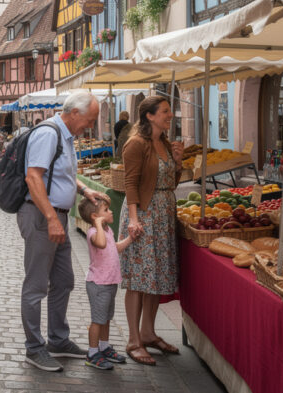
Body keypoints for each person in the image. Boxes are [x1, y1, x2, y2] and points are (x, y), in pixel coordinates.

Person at [19, 90, 107, 372]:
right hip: (42, 216)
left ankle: (58, 339)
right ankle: (34, 347)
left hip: (57, 217)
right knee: (36, 285)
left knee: (64, 280)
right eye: (90, 120)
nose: (90, 127)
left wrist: (82, 188)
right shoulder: (48, 134)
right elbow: (33, 177)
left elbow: (60, 173)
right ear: (74, 114)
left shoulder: (66, 136)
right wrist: (51, 218)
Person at [119, 95, 184, 366]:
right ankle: (134, 339)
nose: (171, 115)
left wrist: (178, 162)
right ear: (150, 115)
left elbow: (171, 182)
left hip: (164, 214)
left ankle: (148, 332)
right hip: (143, 214)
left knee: (154, 277)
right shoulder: (136, 144)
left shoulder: (165, 143)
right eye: (166, 111)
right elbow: (130, 183)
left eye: (170, 111)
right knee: (138, 278)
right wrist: (134, 220)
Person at [77, 198, 136, 370]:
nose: (111, 212)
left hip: (110, 282)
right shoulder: (93, 233)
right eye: (106, 210)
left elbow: (114, 248)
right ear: (95, 216)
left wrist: (130, 239)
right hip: (98, 284)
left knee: (106, 318)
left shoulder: (107, 230)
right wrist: (97, 223)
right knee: (97, 320)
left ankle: (104, 347)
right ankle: (92, 353)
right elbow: (102, 245)